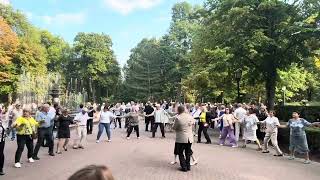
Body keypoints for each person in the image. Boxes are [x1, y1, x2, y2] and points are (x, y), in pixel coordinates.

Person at [172, 106, 194, 172]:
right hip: (189, 137)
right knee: (188, 152)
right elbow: (193, 122)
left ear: (178, 110)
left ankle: (184, 167)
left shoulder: (178, 118)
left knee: (180, 152)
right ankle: (188, 166)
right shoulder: (189, 116)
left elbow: (174, 127)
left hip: (181, 138)